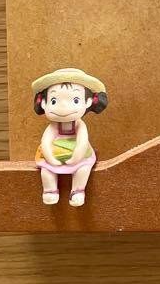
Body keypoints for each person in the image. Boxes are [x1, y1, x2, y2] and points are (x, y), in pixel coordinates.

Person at [31, 67, 107, 207]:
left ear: (88, 102)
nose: (64, 107)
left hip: (78, 154)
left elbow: (82, 141)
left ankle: (77, 191)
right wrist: (50, 158)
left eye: (75, 100)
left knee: (83, 169)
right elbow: (45, 142)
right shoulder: (53, 127)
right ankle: (50, 190)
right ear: (44, 103)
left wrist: (77, 157)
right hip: (54, 154)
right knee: (46, 171)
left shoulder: (79, 125)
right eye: (54, 101)